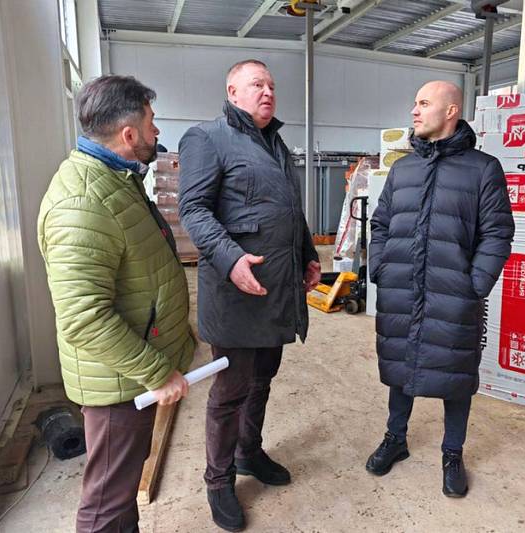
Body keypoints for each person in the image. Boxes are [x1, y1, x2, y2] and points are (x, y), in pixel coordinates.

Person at [38, 75, 196, 533]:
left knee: (121, 489)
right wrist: (157, 372)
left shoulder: (114, 179)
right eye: (151, 122)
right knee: (105, 505)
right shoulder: (83, 201)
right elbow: (84, 317)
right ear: (128, 134)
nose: (156, 131)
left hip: (127, 374)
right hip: (117, 383)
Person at [178, 59, 320, 532]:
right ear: (232, 91)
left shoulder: (275, 144)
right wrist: (231, 258)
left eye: (272, 85)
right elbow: (194, 210)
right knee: (230, 390)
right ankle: (218, 481)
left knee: (262, 379)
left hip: (276, 289)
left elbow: (291, 211)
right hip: (235, 294)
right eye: (257, 84)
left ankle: (248, 452)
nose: (268, 92)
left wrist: (308, 256)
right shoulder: (207, 138)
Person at [366, 80, 515, 497]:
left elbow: (498, 232)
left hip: (455, 293)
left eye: (424, 103)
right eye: (414, 103)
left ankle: (452, 452)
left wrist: (475, 283)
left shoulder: (483, 169)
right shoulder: (403, 169)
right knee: (400, 365)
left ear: (451, 111)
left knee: (456, 373)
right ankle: (396, 438)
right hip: (400, 287)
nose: (414, 111)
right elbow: (380, 223)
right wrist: (380, 267)